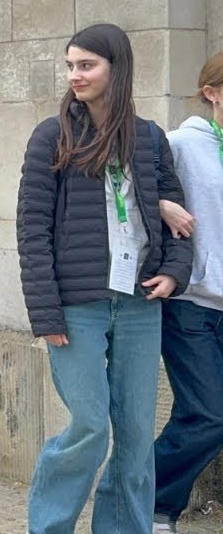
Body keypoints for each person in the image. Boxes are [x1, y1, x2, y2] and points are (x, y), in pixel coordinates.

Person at [16, 23, 193, 533]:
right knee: (91, 426)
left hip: (139, 302)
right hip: (77, 307)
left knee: (137, 437)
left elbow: (178, 219)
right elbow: (32, 228)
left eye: (87, 65)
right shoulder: (53, 136)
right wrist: (45, 311)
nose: (76, 75)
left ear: (117, 69)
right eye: (71, 65)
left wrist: (174, 277)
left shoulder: (150, 137)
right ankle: (49, 527)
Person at [148, 52, 223, 533]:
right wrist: (163, 205)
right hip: (192, 303)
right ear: (212, 93)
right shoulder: (179, 142)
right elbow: (125, 187)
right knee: (208, 414)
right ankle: (149, 503)